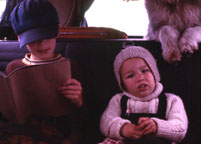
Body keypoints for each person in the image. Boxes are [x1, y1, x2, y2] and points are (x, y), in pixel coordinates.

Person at [0, 0, 86, 143]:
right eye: (33, 39)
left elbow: (83, 123)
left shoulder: (71, 67)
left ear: (57, 31)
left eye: (46, 36)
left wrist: (79, 101)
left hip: (52, 134)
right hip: (16, 132)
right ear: (20, 38)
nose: (42, 43)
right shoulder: (13, 68)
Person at [99, 46, 188, 144]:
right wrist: (123, 128)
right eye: (130, 76)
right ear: (122, 83)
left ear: (155, 73)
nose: (140, 78)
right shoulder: (118, 100)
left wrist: (157, 126)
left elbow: (181, 128)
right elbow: (105, 123)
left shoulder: (172, 100)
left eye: (145, 71)